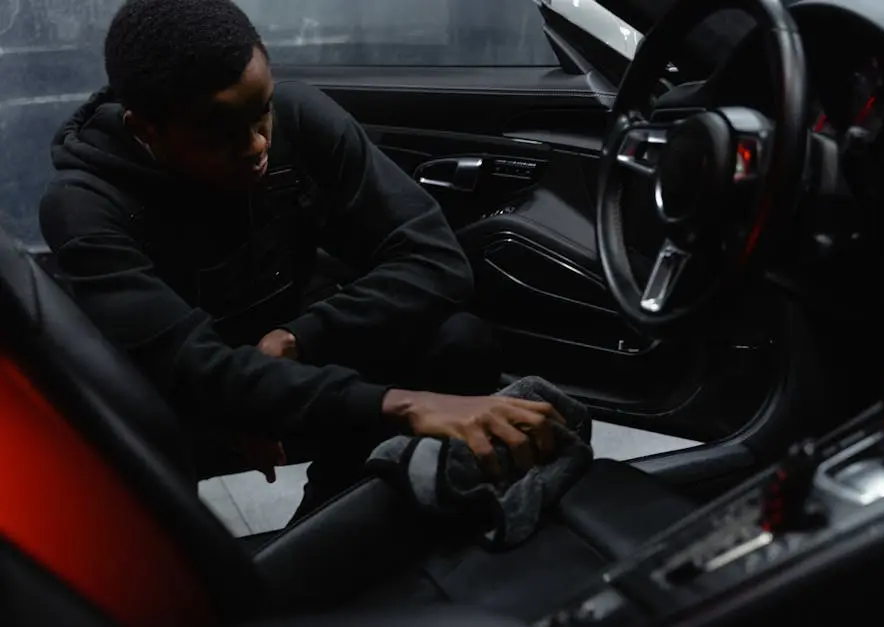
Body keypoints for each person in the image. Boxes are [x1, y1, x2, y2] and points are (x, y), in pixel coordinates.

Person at [40, 0, 565, 521]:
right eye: (219, 133)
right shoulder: (85, 204)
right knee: (113, 451)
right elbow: (190, 368)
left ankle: (335, 524)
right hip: (181, 400)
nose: (256, 144)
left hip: (286, 361)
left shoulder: (299, 115)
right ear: (145, 130)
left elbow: (436, 259)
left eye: (260, 109)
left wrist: (300, 339)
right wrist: (404, 403)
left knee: (460, 339)